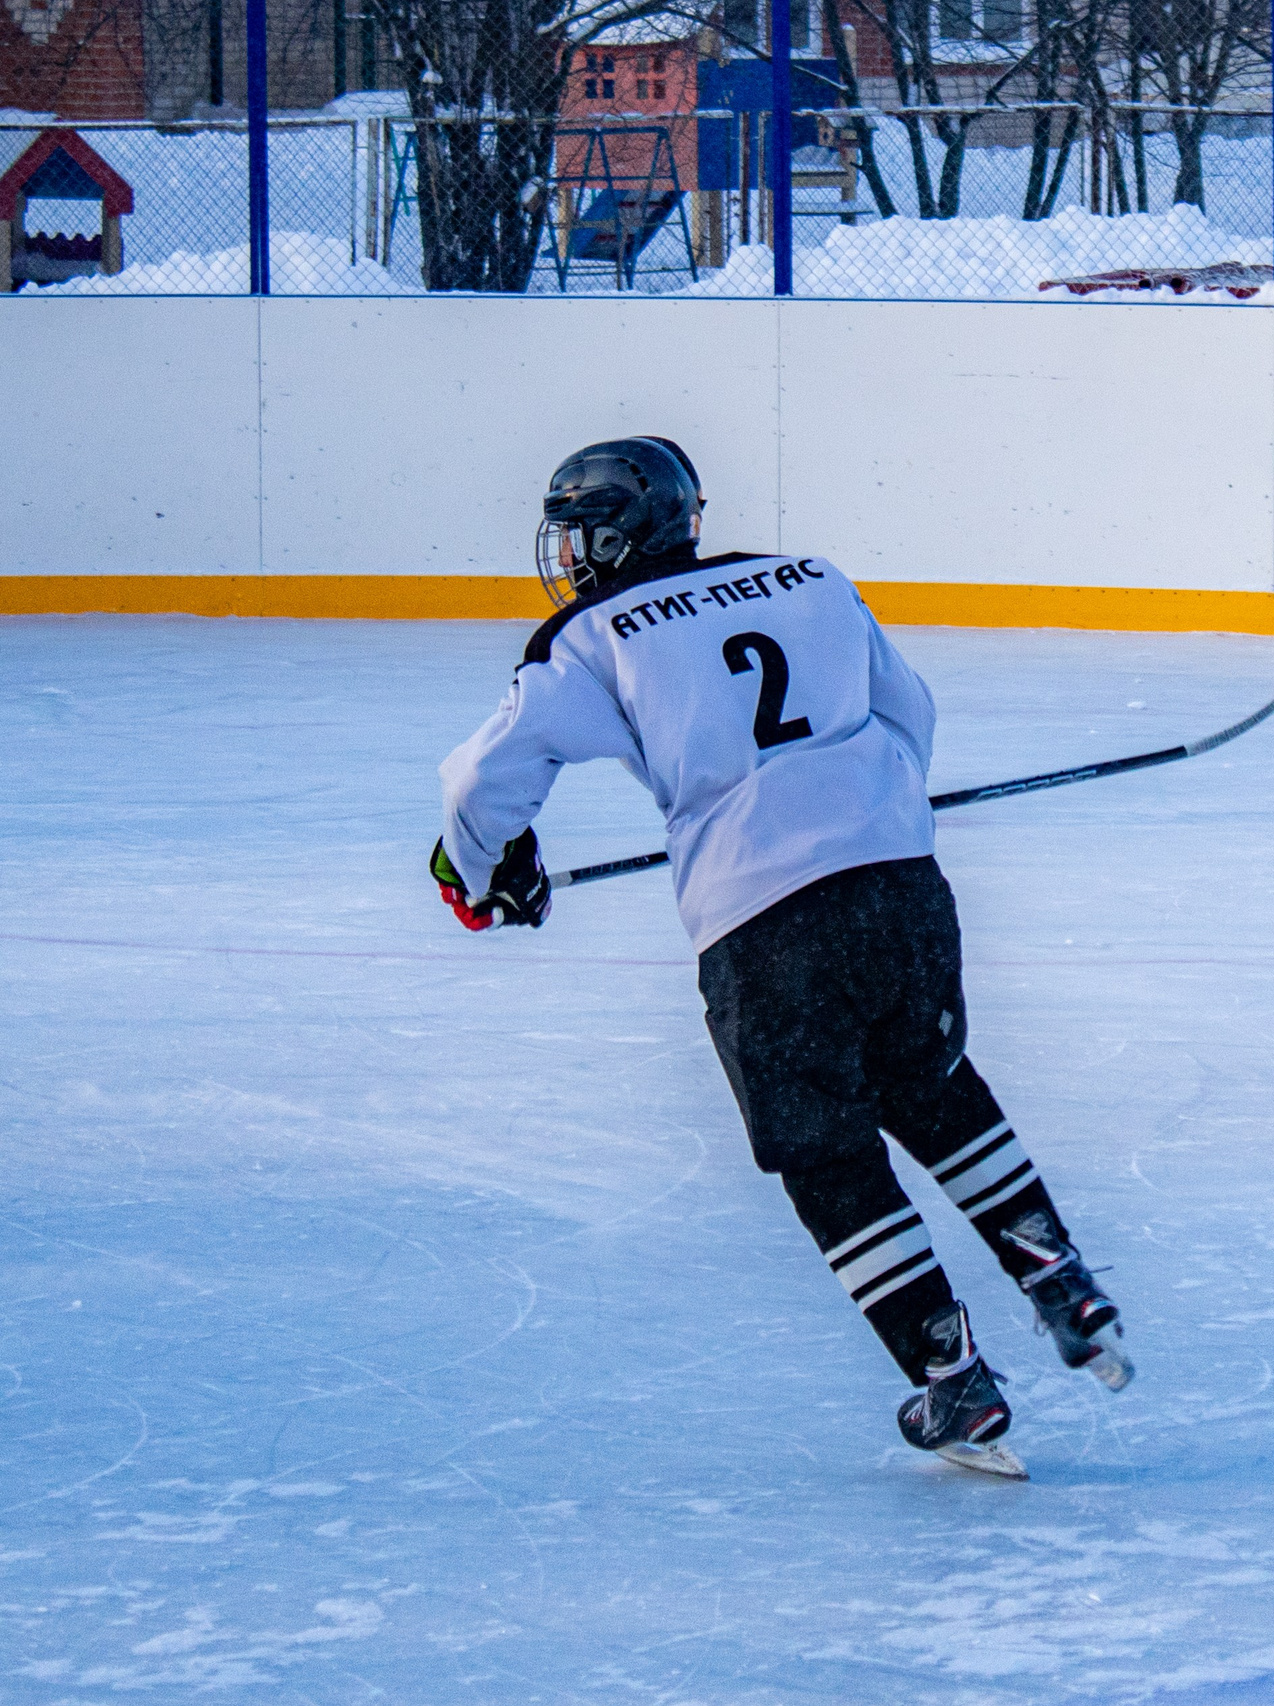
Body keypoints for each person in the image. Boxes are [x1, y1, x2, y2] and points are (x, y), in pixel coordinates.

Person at [429, 436, 1131, 1480]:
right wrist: (870, 809)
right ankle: (1059, 1276)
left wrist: (483, 869)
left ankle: (953, 1377)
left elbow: (482, 781)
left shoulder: (592, 633)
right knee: (933, 1083)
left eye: (580, 533)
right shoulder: (811, 578)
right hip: (902, 885)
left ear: (620, 534)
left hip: (761, 919)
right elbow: (910, 712)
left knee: (826, 1150)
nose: (569, 555)